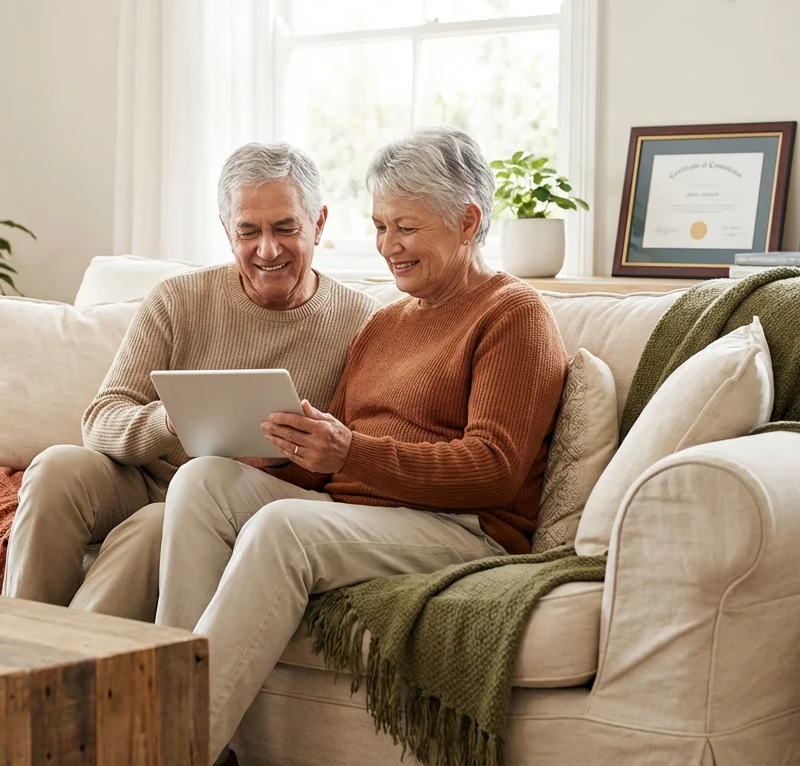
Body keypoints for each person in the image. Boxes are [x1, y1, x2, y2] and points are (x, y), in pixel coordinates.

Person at [154, 126, 569, 761]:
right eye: (379, 226)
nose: (387, 247)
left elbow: (495, 470)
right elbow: (330, 471)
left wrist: (350, 453)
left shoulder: (512, 314)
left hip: (462, 525)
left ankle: (169, 750)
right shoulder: (385, 324)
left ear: (467, 221)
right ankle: (175, 714)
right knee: (202, 479)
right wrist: (291, 451)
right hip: (360, 513)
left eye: (405, 227)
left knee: (281, 531)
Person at [2, 143, 379, 621]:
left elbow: (356, 456)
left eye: (286, 228)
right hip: (145, 476)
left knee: (154, 527)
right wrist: (172, 420)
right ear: (226, 231)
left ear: (319, 223)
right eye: (248, 231)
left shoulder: (363, 322)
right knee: (55, 468)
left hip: (228, 500)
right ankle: (17, 645)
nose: (268, 249)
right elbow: (100, 420)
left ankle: (62, 671)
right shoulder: (179, 299)